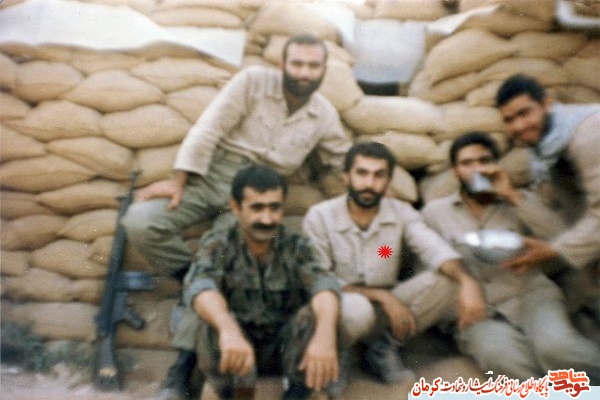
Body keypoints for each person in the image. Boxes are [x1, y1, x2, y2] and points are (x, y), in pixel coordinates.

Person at [121, 33, 351, 399]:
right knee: (140, 221)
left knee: (227, 250)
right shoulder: (253, 82)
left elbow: (342, 158)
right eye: (297, 64)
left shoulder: (323, 114)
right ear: (282, 65)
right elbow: (209, 126)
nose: (304, 73)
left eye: (313, 66)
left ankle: (181, 369)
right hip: (213, 175)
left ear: (324, 70)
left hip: (260, 196)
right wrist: (178, 179)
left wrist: (370, 189)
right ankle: (192, 281)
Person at [302, 141, 487, 396]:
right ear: (346, 176)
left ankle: (381, 347)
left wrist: (468, 282)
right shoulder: (320, 216)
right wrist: (380, 296)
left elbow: (434, 249)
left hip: (388, 308)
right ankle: (340, 351)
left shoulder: (402, 212)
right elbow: (318, 279)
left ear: (388, 181)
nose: (370, 183)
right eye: (362, 173)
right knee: (357, 309)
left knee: (448, 281)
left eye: (379, 175)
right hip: (342, 307)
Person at [421, 132, 600, 383]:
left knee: (557, 349)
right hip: (480, 313)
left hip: (530, 295)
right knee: (502, 358)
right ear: (455, 172)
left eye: (484, 161)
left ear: (496, 165)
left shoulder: (520, 200)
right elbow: (429, 270)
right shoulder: (435, 213)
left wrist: (512, 196)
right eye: (467, 163)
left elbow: (561, 239)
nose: (477, 169)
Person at [179, 165, 341, 400]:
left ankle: (299, 393)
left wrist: (325, 335)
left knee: (316, 314)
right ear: (236, 208)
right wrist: (228, 329)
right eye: (257, 208)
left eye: (274, 208)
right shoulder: (219, 244)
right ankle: (234, 394)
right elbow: (201, 286)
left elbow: (323, 284)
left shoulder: (296, 246)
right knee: (211, 321)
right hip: (236, 350)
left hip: (283, 349)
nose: (267, 219)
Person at [495, 74, 600, 318]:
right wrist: (511, 194)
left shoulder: (588, 135)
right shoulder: (544, 147)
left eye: (524, 113)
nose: (518, 126)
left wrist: (555, 250)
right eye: (509, 119)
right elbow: (563, 209)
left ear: (547, 104)